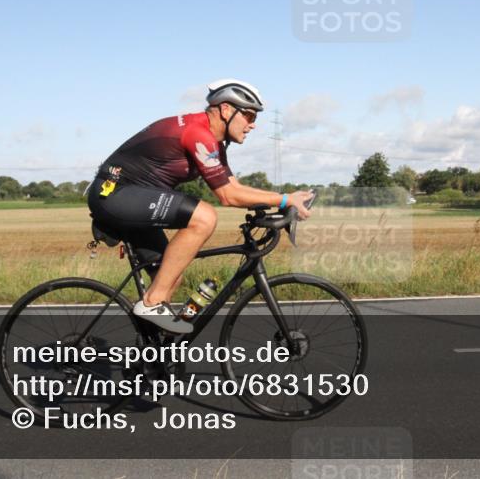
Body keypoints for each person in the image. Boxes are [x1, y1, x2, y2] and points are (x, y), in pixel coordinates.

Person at [87, 79, 313, 333]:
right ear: (226, 110)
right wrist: (285, 199)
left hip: (134, 197)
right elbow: (228, 195)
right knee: (203, 217)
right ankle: (151, 303)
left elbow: (234, 186)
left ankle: (151, 359)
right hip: (115, 195)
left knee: (170, 275)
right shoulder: (198, 133)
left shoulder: (214, 141)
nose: (253, 124)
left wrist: (275, 204)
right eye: (249, 115)